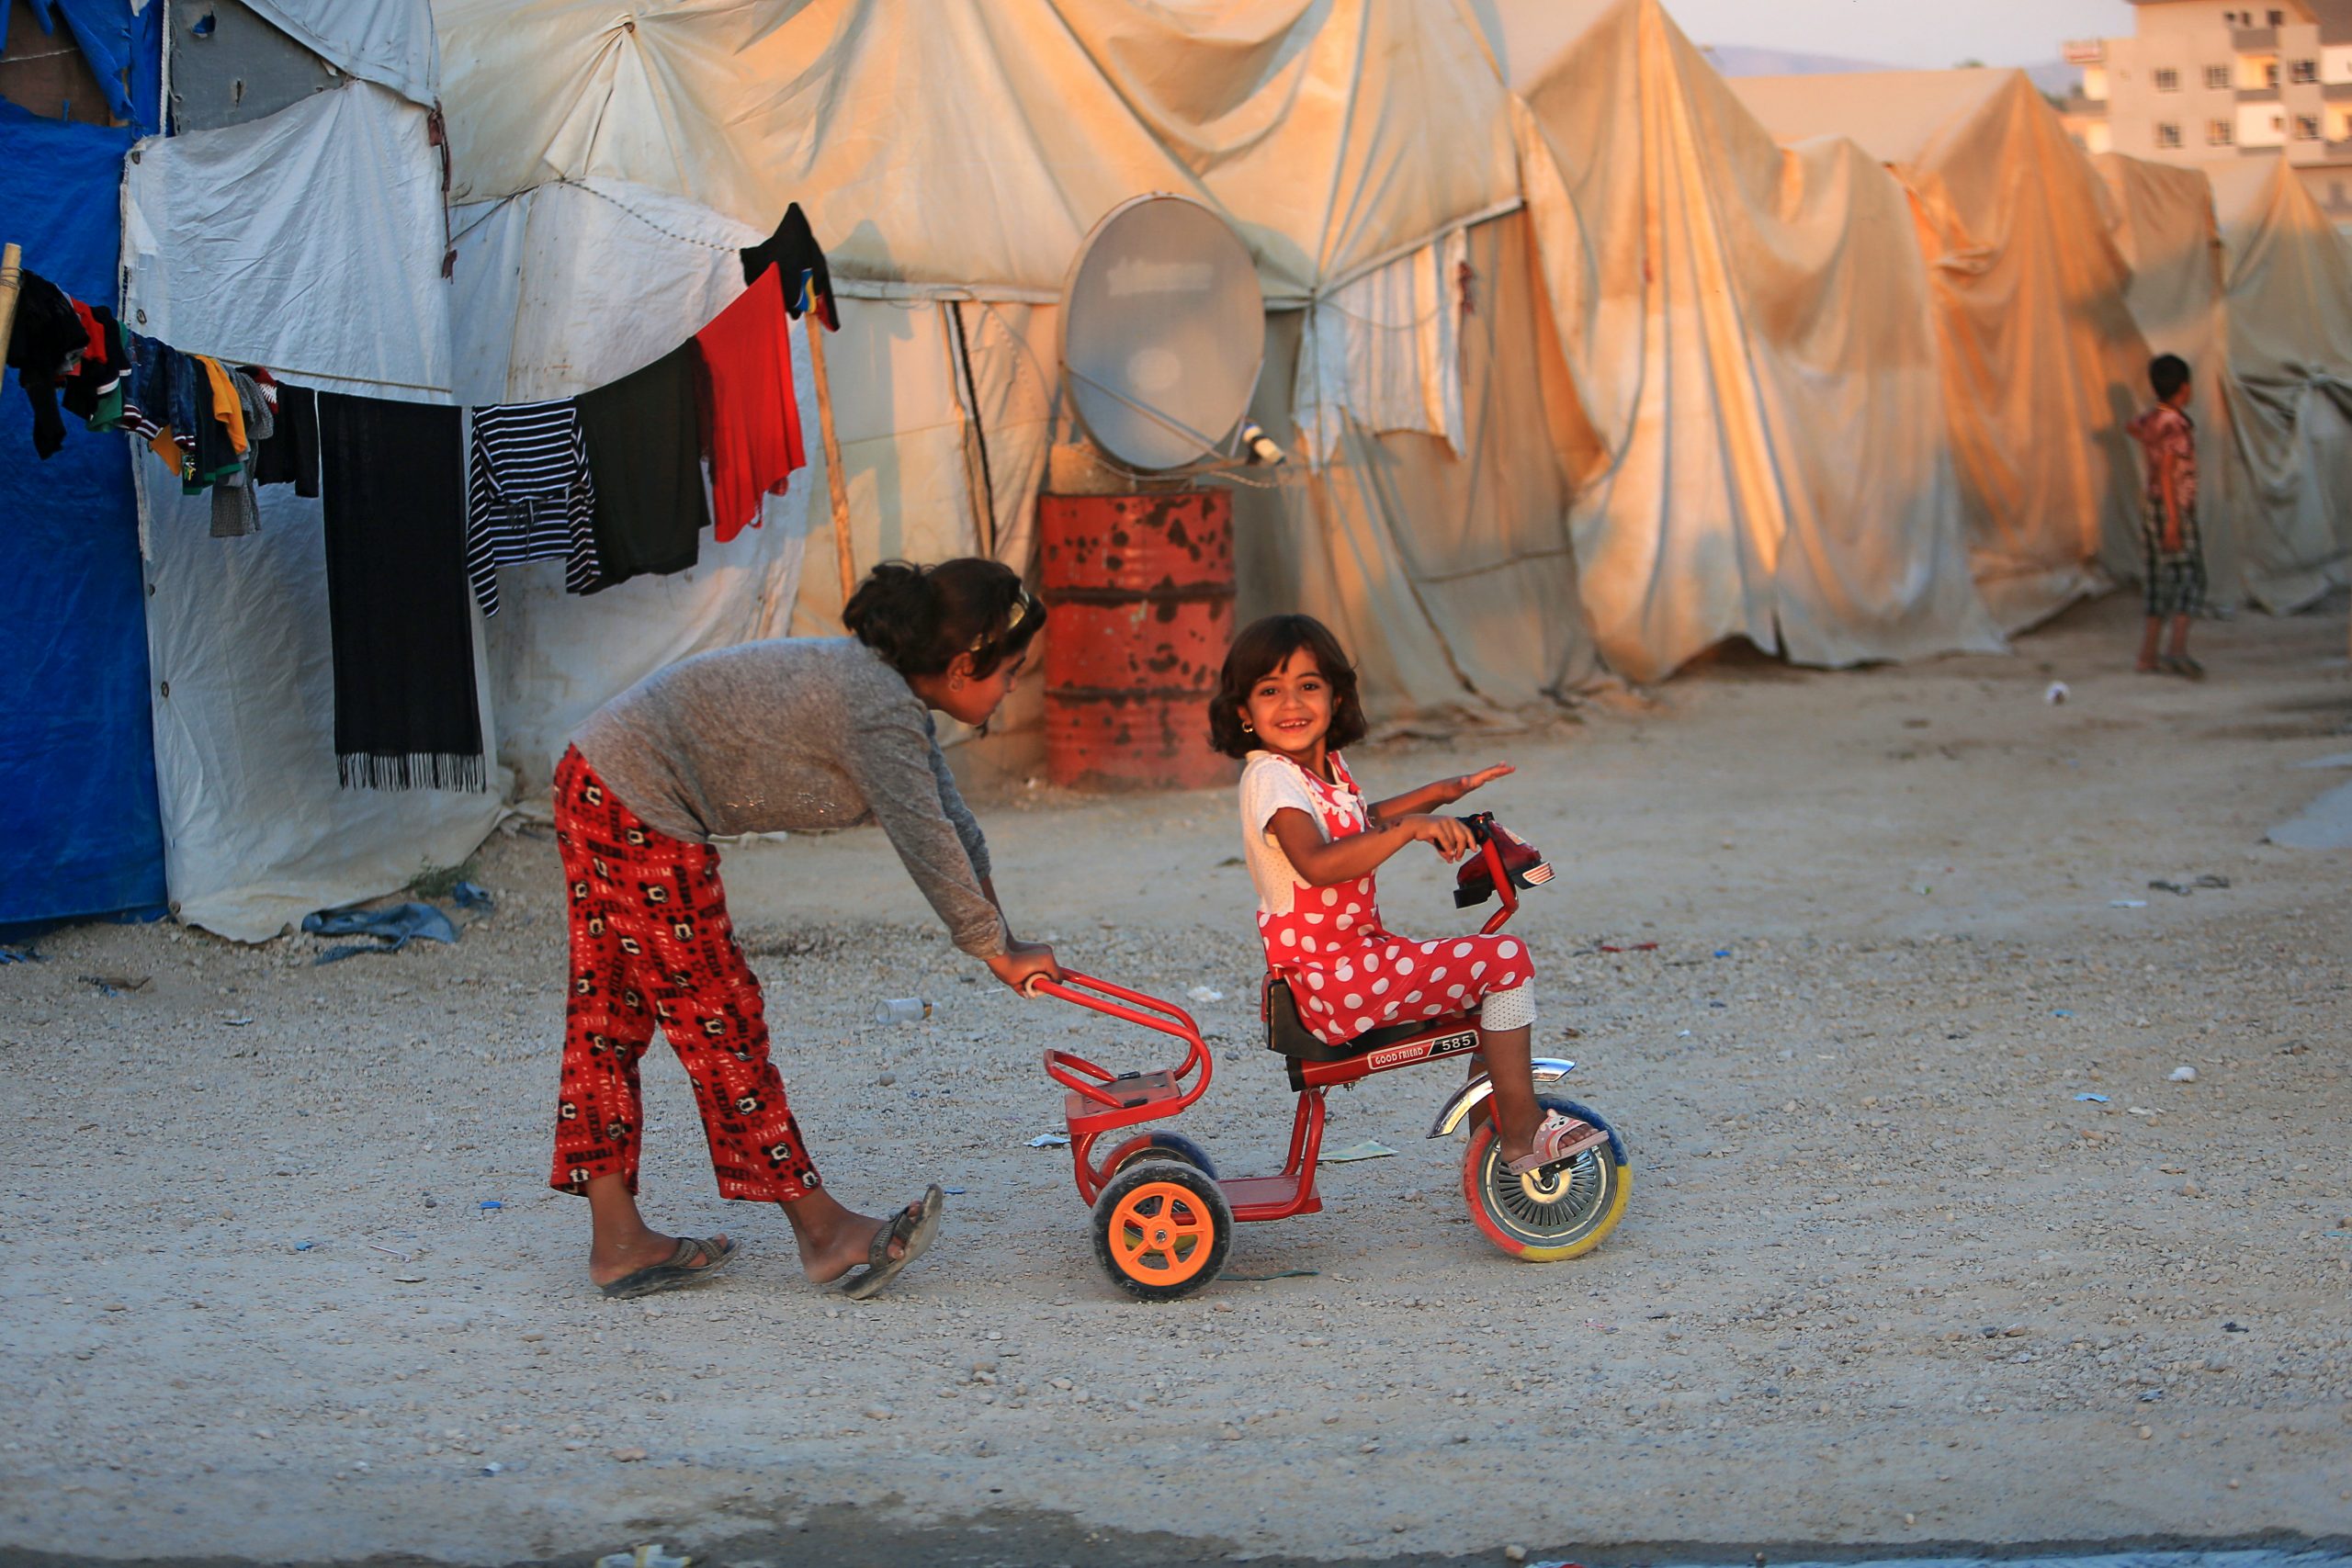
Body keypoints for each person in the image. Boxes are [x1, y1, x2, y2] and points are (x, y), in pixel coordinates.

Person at [548, 558, 1062, 1301]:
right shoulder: (878, 708)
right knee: (717, 1017)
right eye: (1010, 671)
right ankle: (822, 1231)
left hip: (598, 776)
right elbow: (925, 841)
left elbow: (954, 828)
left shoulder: (893, 700)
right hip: (632, 797)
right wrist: (993, 947)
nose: (1013, 685)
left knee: (610, 1016)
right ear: (959, 667)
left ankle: (619, 1240)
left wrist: (1004, 943)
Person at [1208, 614, 1606, 1177]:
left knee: (1481, 984)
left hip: (1347, 964)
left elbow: (1357, 823)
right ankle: (1518, 1134)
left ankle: (1490, 1135)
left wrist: (1439, 795)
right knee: (1504, 959)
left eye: (1308, 686)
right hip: (1335, 978)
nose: (1291, 703)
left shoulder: (1320, 772)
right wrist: (1414, 829)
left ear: (1337, 698)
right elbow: (1318, 863)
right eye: (1270, 691)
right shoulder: (1272, 777)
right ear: (1244, 713)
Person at [2126, 354, 2207, 680]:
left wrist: (2150, 439)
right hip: (2173, 508)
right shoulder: (2177, 426)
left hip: (2152, 505)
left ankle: (2148, 655)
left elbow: (2131, 426)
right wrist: (2174, 521)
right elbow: (2169, 470)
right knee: (2190, 578)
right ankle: (2176, 650)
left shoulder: (2153, 421)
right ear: (2184, 389)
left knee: (2158, 579)